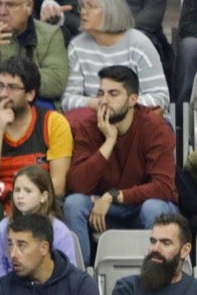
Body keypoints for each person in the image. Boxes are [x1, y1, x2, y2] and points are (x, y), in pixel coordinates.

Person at [0, 55, 73, 264]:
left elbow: (57, 188)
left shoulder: (54, 123)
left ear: (31, 94)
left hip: (40, 205)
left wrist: (4, 191)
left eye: (13, 87)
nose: (3, 94)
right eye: (0, 86)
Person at [63, 65, 179, 260]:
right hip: (104, 211)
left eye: (113, 94)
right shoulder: (89, 127)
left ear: (133, 99)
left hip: (143, 207)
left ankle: (155, 276)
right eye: (101, 93)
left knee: (154, 207)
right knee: (73, 204)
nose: (104, 101)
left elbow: (164, 187)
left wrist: (113, 196)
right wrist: (109, 142)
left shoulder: (155, 128)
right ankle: (81, 280)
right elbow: (77, 186)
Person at [62, 0, 170, 110]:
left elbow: (160, 98)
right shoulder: (77, 46)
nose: (83, 12)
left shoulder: (139, 44)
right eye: (82, 7)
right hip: (95, 119)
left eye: (90, 6)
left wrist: (119, 106)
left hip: (137, 120)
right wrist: (98, 104)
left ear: (111, 11)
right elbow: (68, 101)